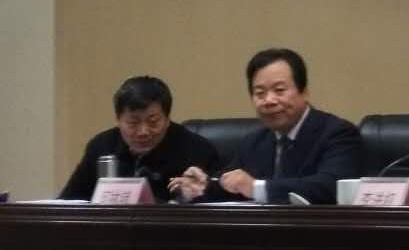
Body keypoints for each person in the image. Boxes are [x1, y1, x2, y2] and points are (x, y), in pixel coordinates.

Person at [170, 48, 361, 204]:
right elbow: (231, 185)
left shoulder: (337, 133)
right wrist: (199, 187)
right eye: (260, 93)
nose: (269, 100)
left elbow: (331, 185)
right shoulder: (253, 142)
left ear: (304, 92)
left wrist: (256, 188)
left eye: (279, 90)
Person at [61, 75, 220, 202]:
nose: (143, 132)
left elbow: (217, 203)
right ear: (118, 120)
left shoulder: (196, 149)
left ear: (167, 119)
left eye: (153, 122)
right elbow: (69, 202)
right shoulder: (101, 147)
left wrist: (194, 195)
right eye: (133, 123)